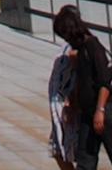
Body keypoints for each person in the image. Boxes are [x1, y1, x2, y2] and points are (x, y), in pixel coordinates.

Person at [53, 5, 112, 170]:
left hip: (105, 112)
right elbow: (83, 81)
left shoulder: (93, 46)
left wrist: (100, 111)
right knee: (85, 161)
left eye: (65, 35)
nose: (66, 40)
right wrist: (74, 102)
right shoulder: (81, 50)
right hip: (88, 113)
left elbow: (104, 82)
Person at [48, 39, 77, 169]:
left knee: (79, 153)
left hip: (71, 109)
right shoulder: (65, 48)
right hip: (59, 107)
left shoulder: (83, 48)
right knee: (57, 150)